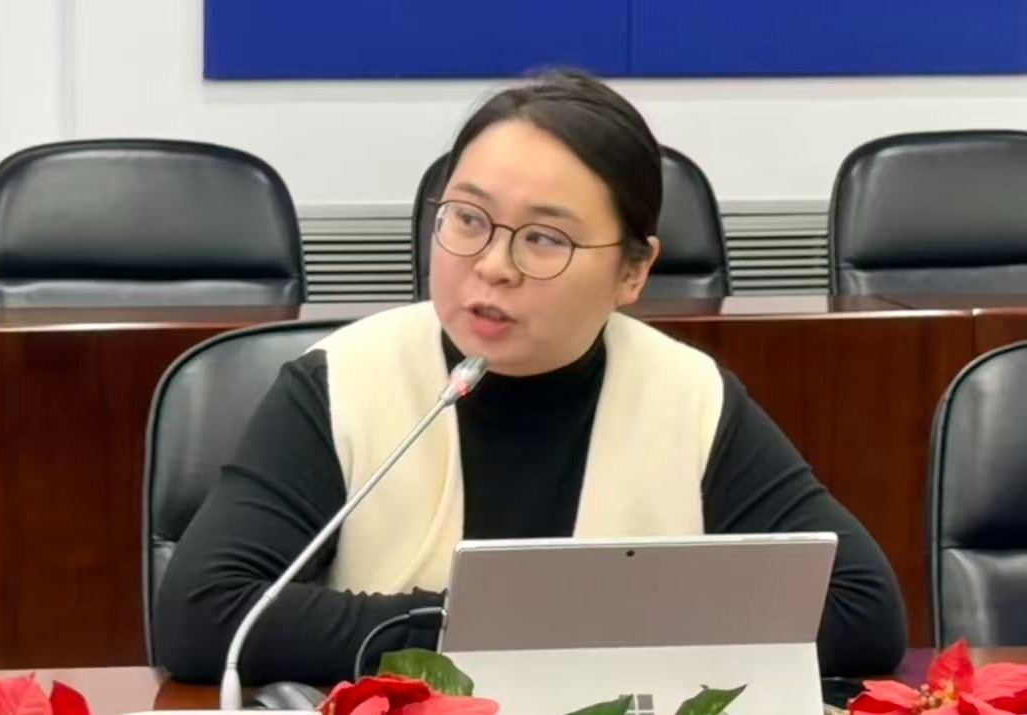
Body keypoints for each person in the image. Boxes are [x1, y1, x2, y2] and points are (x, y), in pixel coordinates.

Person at [154, 69, 907, 685]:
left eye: (544, 239)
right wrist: (507, 626)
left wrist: (521, 626)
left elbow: (862, 610)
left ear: (633, 270)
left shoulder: (686, 397)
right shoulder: (344, 382)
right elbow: (203, 616)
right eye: (468, 219)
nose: (492, 265)